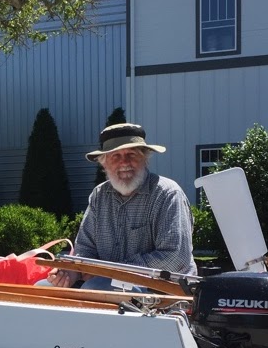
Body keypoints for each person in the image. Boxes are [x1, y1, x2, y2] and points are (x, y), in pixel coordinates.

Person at [46, 123, 196, 289]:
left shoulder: (167, 193)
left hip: (164, 291)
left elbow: (175, 258)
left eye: (131, 154)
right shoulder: (99, 195)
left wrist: (112, 272)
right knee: (43, 287)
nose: (124, 162)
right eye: (115, 156)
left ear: (145, 159)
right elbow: (85, 249)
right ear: (104, 163)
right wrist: (70, 273)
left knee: (95, 287)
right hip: (109, 284)